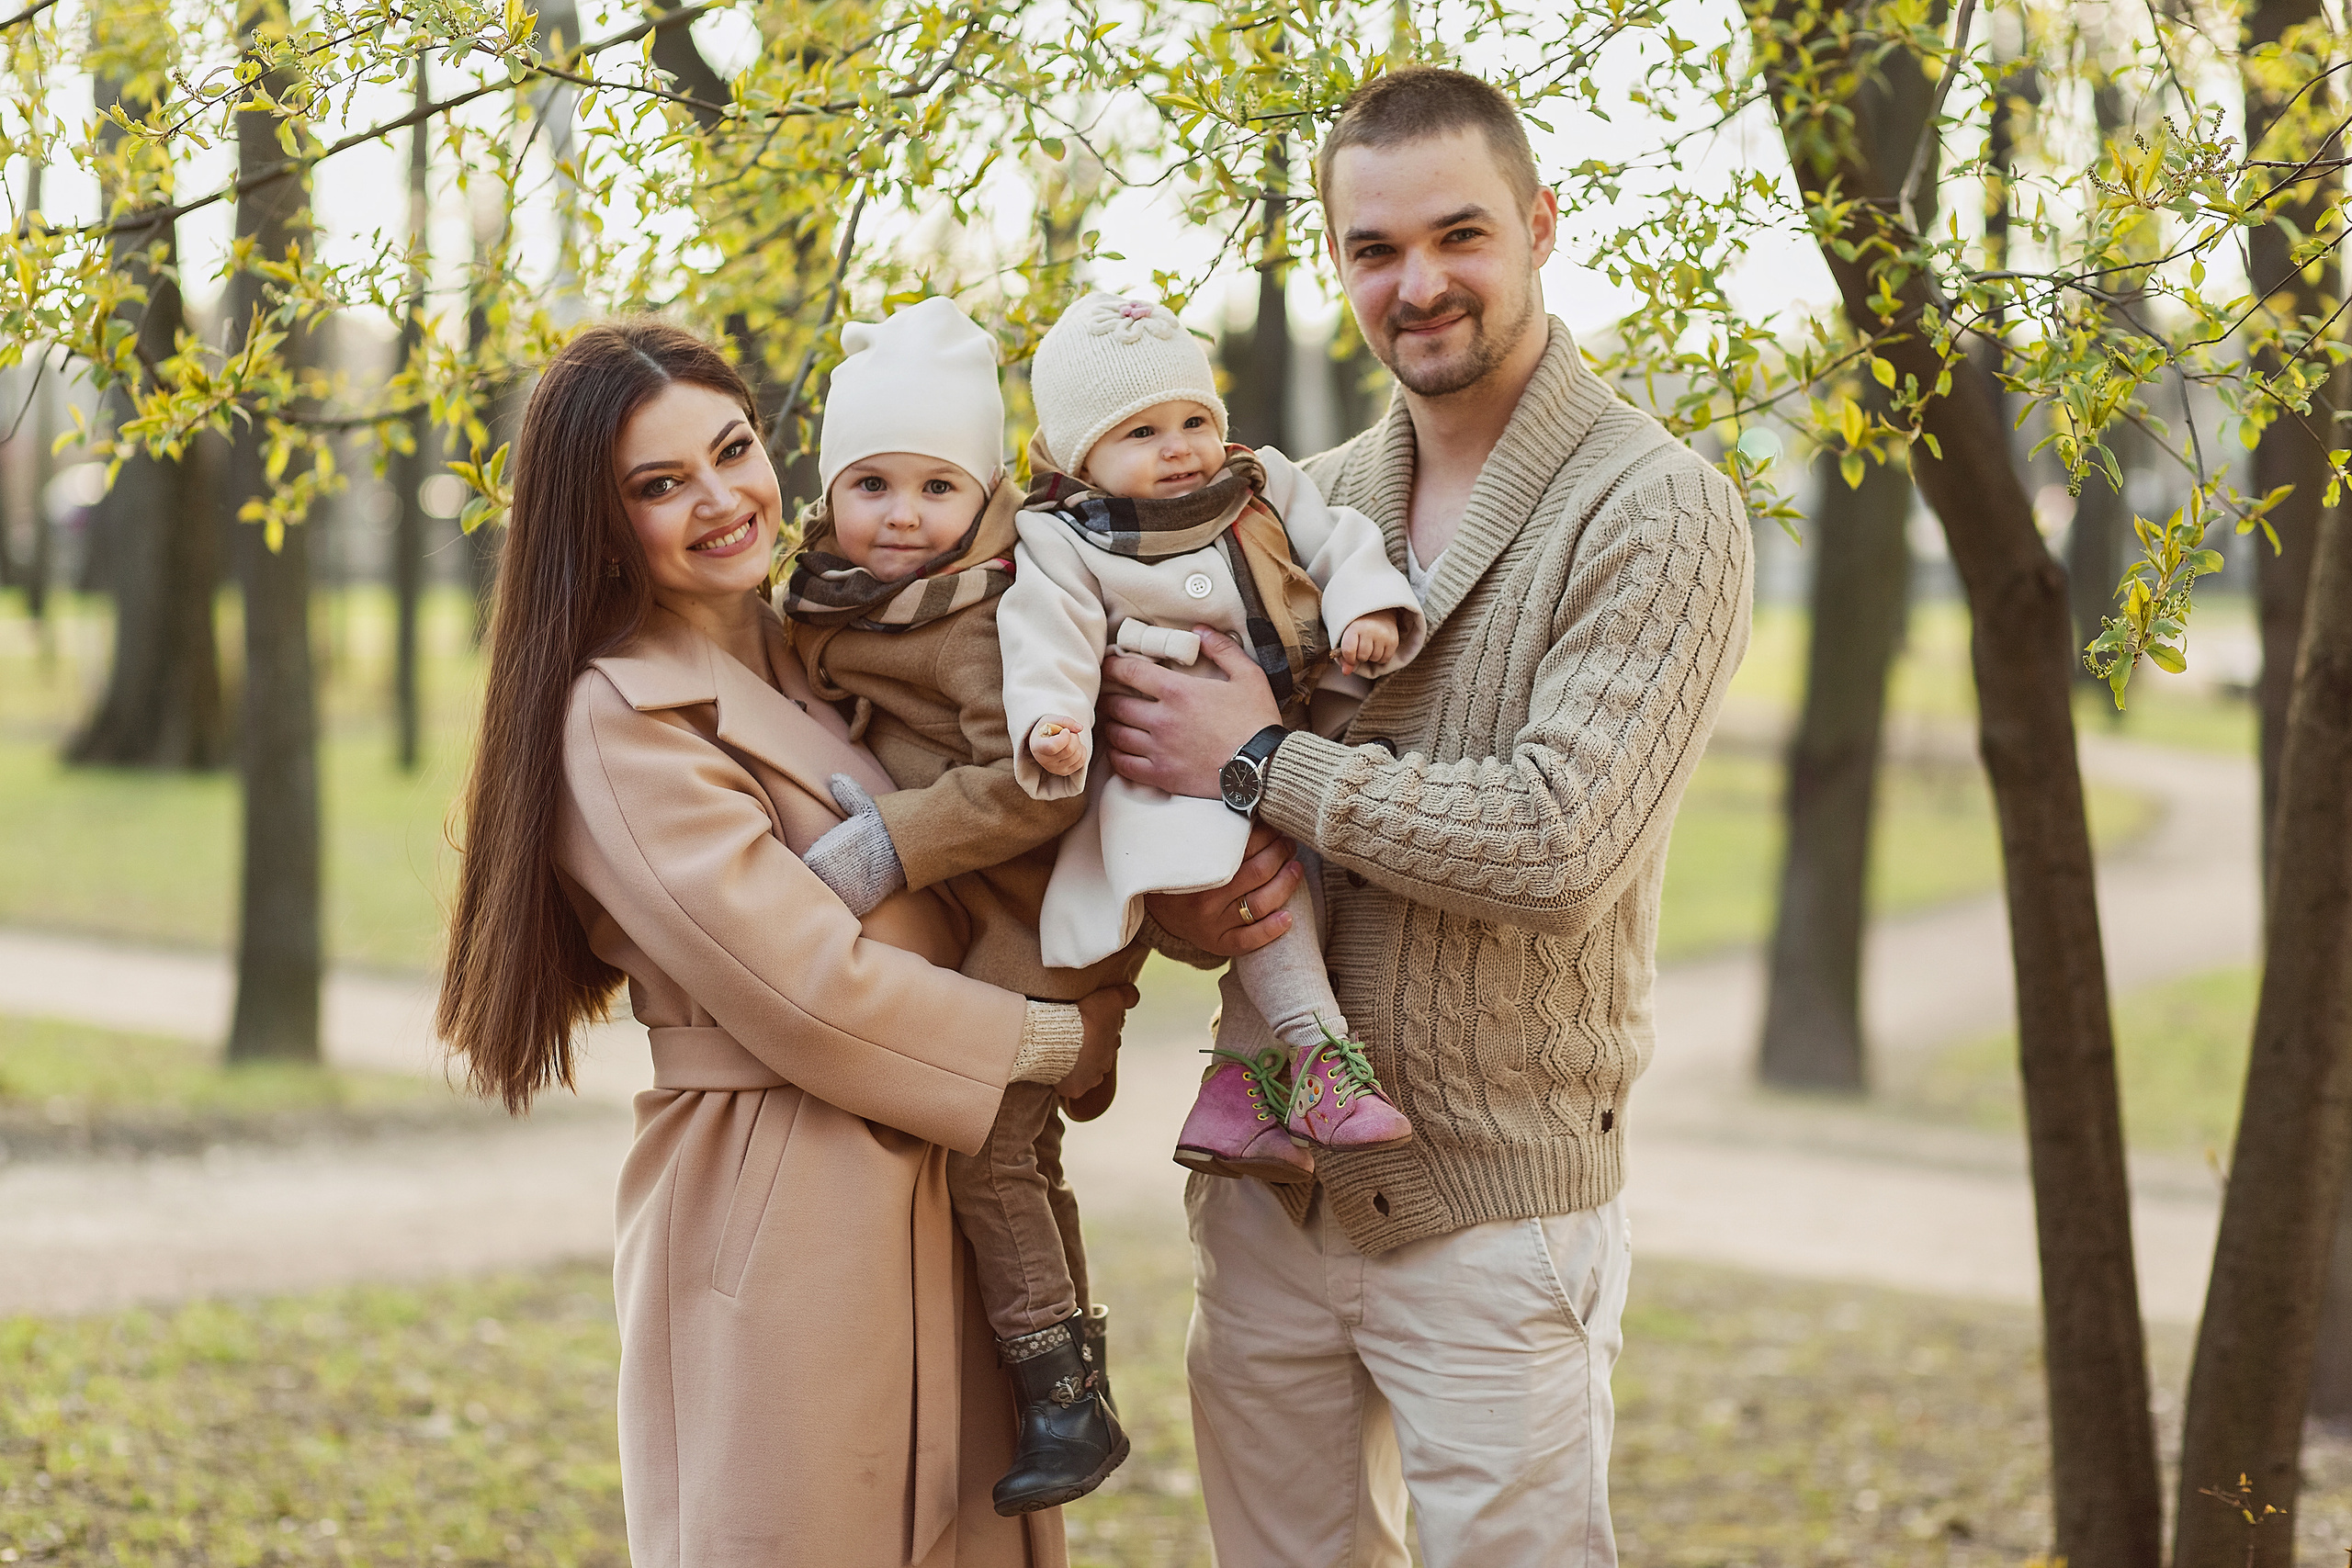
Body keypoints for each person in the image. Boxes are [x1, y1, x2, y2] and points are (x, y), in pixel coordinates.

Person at [1099, 69, 1756, 1566]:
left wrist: (1260, 761)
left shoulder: (1654, 507)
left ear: (1535, 225)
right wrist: (1201, 904)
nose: (1420, 283)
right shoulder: (1292, 502)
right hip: (1271, 1197)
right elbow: (1208, 819)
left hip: (1495, 1214)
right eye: (1375, 249)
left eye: (1459, 235)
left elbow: (1556, 841)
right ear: (1338, 261)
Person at [435, 319, 1133, 1568]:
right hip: (787, 1198)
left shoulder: (839, 646)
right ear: (598, 522)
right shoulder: (620, 714)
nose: (720, 499)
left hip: (944, 1183)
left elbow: (1004, 828)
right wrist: (1039, 1036)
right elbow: (798, 983)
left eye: (733, 448)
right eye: (659, 484)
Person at [775, 295, 1140, 1516]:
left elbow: (1045, 780)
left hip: (1029, 922)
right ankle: (1072, 1378)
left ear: (983, 493)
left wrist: (888, 839)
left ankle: (1057, 1389)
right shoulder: (833, 599)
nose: (902, 516)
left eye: (937, 487)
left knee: (992, 1153)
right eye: (870, 483)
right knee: (1021, 1154)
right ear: (829, 496)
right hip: (980, 918)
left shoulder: (993, 613)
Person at [998, 292, 1426, 1180]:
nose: (1181, 446)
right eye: (1142, 433)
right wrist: (1054, 720)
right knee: (1262, 893)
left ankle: (1233, 1093)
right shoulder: (1066, 537)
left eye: (1194, 419)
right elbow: (1049, 634)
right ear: (1085, 456)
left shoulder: (1257, 485)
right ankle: (1320, 1060)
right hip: (1163, 771)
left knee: (1291, 887)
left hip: (1283, 737)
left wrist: (1365, 608)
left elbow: (1338, 542)